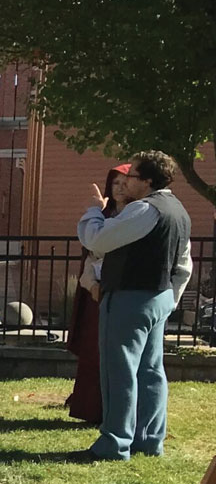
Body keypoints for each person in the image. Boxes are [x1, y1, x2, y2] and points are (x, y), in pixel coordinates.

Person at [73, 150, 192, 462]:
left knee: (119, 370)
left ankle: (114, 443)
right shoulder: (179, 210)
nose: (125, 181)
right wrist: (170, 300)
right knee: (151, 371)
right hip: (158, 297)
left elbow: (97, 240)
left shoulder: (145, 210)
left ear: (148, 182)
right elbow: (184, 266)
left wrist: (94, 211)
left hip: (129, 298)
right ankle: (149, 440)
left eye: (132, 176)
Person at [64, 164, 131, 425]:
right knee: (94, 351)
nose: (121, 188)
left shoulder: (137, 216)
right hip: (97, 293)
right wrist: (92, 284)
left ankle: (114, 412)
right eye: (116, 183)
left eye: (126, 183)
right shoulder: (102, 215)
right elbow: (91, 255)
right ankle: (89, 407)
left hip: (123, 293)